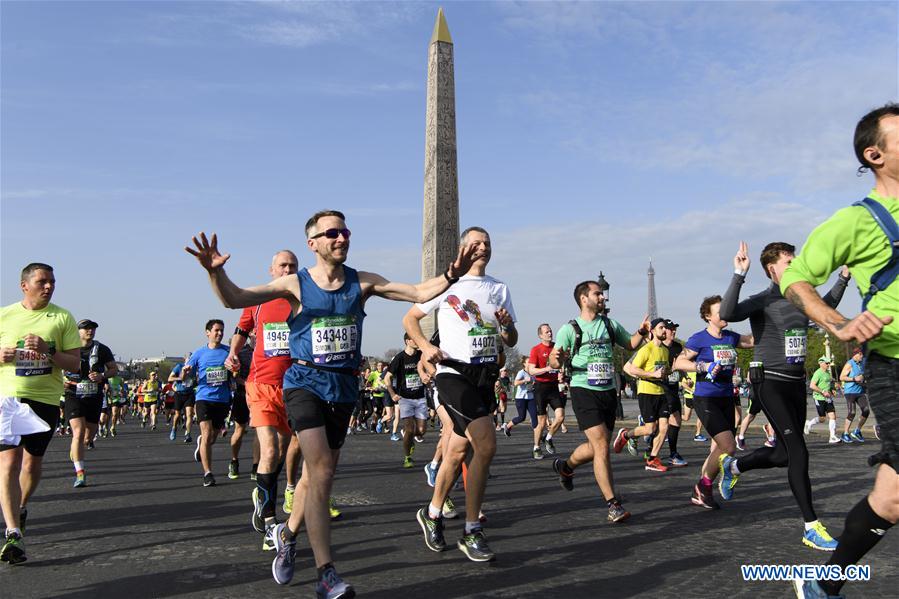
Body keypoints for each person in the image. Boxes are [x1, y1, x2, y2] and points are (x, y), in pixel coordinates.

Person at [186, 210, 475, 597]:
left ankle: (287, 534)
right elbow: (234, 298)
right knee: (320, 471)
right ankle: (327, 573)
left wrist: (453, 274)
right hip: (303, 383)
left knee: (314, 477)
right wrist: (214, 272)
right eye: (332, 233)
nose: (341, 238)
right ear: (314, 243)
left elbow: (420, 292)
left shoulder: (362, 281)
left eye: (345, 231)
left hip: (342, 389)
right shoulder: (296, 283)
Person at [779, 105, 898, 599]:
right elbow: (794, 277)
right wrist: (840, 321)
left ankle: (825, 581)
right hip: (894, 363)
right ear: (875, 155)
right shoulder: (855, 221)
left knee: (891, 501)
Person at [717, 240, 848, 550]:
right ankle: (811, 526)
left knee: (782, 455)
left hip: (794, 383)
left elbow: (825, 309)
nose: (796, 266)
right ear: (772, 269)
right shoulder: (762, 299)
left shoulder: (802, 298)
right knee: (799, 452)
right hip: (769, 381)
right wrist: (739, 273)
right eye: (790, 263)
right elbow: (727, 312)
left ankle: (734, 466)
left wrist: (843, 277)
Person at [406, 226, 516, 563]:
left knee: (455, 451)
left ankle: (433, 512)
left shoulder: (499, 288)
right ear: (463, 249)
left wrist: (507, 325)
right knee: (486, 444)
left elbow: (510, 340)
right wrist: (426, 347)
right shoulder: (447, 285)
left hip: (484, 376)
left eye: (488, 243)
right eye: (476, 243)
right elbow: (411, 317)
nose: (483, 247)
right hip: (453, 373)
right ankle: (472, 530)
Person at [551, 280, 651, 523]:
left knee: (598, 446)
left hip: (608, 389)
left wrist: (642, 332)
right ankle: (613, 503)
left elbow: (629, 344)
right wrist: (557, 358)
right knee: (601, 445)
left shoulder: (609, 324)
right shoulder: (569, 328)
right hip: (583, 388)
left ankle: (566, 467)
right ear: (584, 299)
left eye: (603, 294)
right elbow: (555, 361)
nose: (603, 297)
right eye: (598, 293)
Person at [1, 263, 81, 564]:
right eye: (42, 282)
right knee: (8, 460)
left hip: (45, 398)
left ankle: (20, 508)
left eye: (52, 282)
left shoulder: (62, 317)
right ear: (24, 285)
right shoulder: (4, 315)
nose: (48, 287)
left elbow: (74, 364)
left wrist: (49, 351)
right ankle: (13, 533)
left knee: (32, 463)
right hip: (8, 397)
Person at [673, 295, 753, 510]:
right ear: (708, 316)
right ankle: (703, 486)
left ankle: (702, 489)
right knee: (729, 445)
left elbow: (753, 341)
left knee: (720, 448)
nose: (725, 314)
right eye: (720, 311)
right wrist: (703, 367)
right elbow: (679, 362)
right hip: (706, 399)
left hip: (726, 397)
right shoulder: (699, 339)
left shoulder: (731, 337)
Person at [62, 319, 117, 487]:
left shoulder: (102, 349)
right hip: (73, 393)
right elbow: (56, 366)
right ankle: (80, 474)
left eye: (92, 329)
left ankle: (78, 449)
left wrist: (102, 376)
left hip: (94, 395)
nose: (90, 331)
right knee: (77, 432)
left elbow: (114, 369)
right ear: (77, 331)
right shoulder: (68, 347)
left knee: (87, 437)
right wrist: (61, 380)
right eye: (86, 328)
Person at [183, 319, 232, 487]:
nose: (219, 333)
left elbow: (235, 369)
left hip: (223, 399)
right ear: (207, 332)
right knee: (206, 432)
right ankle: (208, 473)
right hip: (203, 398)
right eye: (216, 330)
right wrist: (186, 372)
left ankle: (202, 443)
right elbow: (186, 377)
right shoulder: (199, 353)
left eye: (222, 331)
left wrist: (235, 368)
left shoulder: (228, 351)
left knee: (212, 436)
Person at [621, 318, 671, 472]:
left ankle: (652, 459)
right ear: (653, 331)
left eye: (665, 328)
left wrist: (669, 372)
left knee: (664, 427)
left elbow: (665, 370)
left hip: (661, 391)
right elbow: (633, 369)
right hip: (647, 391)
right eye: (661, 327)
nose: (664, 330)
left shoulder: (665, 350)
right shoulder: (646, 349)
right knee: (650, 429)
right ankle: (627, 435)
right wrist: (653, 374)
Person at [384, 334, 427, 468]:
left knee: (421, 431)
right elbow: (387, 378)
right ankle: (407, 457)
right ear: (407, 341)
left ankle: (409, 437)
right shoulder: (400, 358)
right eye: (415, 338)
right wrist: (392, 394)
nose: (417, 341)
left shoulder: (422, 355)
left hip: (420, 397)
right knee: (409, 428)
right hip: (405, 399)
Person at [527, 324, 563, 456]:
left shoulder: (556, 347)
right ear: (540, 335)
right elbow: (531, 370)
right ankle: (536, 447)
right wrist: (547, 369)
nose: (550, 333)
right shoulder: (536, 350)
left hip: (553, 387)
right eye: (546, 332)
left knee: (560, 417)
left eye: (550, 331)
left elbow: (561, 363)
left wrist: (561, 371)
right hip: (540, 388)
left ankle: (548, 438)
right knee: (541, 422)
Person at [500, 357, 538, 452]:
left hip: (531, 398)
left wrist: (534, 383)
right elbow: (516, 383)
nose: (530, 363)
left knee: (534, 417)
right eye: (528, 362)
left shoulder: (533, 372)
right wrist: (525, 380)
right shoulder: (521, 372)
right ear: (524, 364)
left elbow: (535, 383)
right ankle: (507, 426)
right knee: (522, 417)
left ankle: (537, 438)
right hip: (521, 398)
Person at [804, 357, 841, 444]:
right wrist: (823, 392)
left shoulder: (827, 372)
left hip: (828, 398)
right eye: (826, 363)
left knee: (833, 416)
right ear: (821, 363)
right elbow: (812, 386)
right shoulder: (818, 373)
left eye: (829, 363)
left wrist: (832, 390)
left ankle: (832, 437)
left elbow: (828, 384)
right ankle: (809, 424)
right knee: (822, 418)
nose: (828, 365)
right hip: (819, 398)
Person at [839, 346, 870, 443]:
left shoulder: (860, 364)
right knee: (852, 413)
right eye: (861, 355)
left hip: (860, 392)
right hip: (850, 392)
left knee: (866, 411)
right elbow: (841, 377)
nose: (862, 357)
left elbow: (861, 377)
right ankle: (845, 433)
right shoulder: (850, 364)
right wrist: (853, 379)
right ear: (858, 354)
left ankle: (857, 430)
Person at [169, 354, 196, 443]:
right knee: (177, 415)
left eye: (192, 358)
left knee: (189, 414)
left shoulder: (194, 368)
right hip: (179, 394)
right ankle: (174, 428)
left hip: (189, 394)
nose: (190, 360)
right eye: (189, 358)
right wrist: (180, 378)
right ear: (185, 359)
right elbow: (170, 378)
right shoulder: (179, 366)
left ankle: (188, 434)